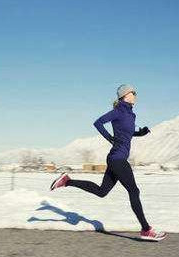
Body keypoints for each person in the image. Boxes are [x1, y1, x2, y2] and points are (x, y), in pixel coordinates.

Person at [50, 84, 167, 241]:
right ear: (125, 95)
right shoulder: (117, 111)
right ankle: (146, 229)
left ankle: (67, 181)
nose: (136, 95)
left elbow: (128, 133)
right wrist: (110, 138)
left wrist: (141, 132)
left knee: (102, 191)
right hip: (117, 158)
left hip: (117, 159)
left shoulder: (131, 115)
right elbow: (98, 122)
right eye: (134, 92)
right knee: (134, 190)